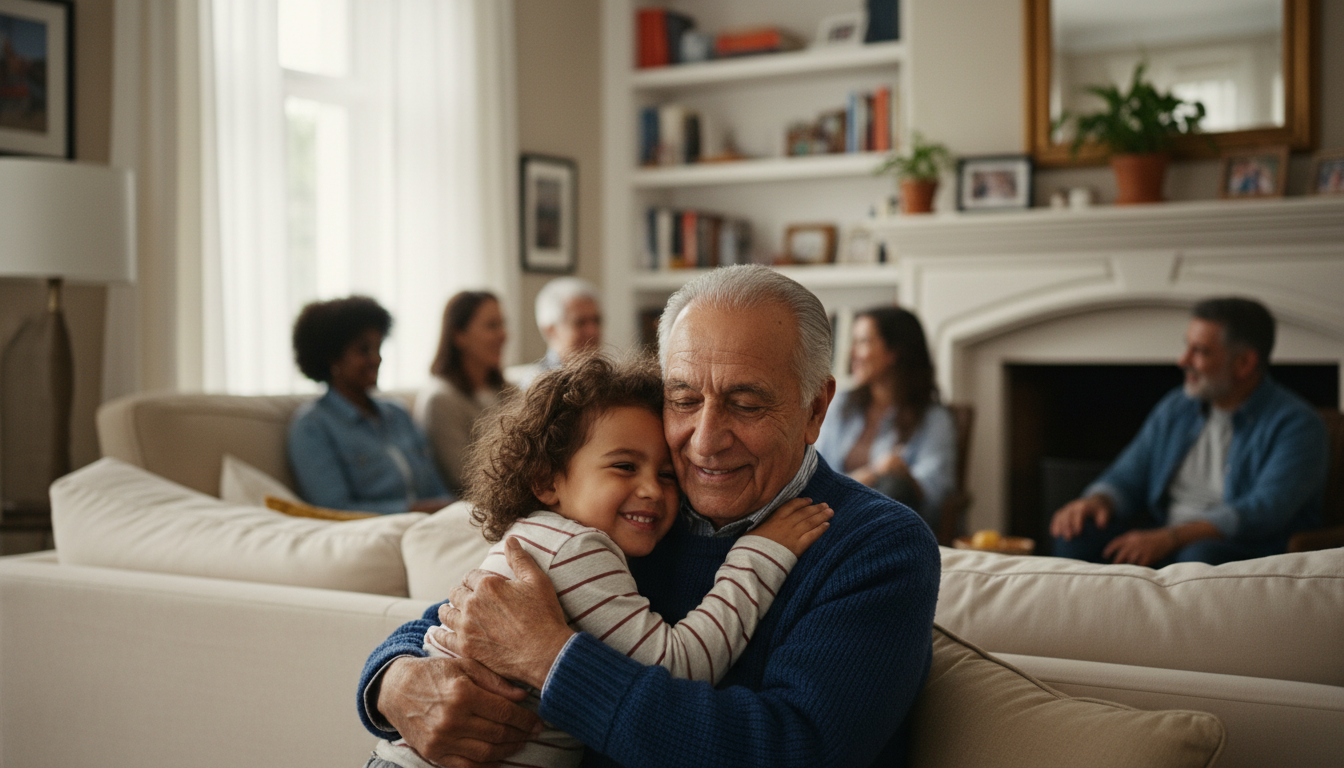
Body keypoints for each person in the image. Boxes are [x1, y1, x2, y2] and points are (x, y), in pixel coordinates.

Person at [358, 265, 942, 767]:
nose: (704, 441)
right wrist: (395, 683)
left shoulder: (876, 546)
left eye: (745, 404)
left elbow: (790, 749)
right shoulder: (640, 508)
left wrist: (550, 658)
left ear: (815, 409)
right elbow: (472, 611)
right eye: (683, 399)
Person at [370, 352, 831, 768]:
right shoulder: (578, 549)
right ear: (546, 480)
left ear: (814, 410)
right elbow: (677, 665)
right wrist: (758, 554)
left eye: (666, 475)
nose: (651, 489)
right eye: (624, 466)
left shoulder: (538, 534)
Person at [1050, 297, 1328, 566]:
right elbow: (1129, 472)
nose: (1183, 360)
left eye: (1200, 351)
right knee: (1075, 536)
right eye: (1187, 347)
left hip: (1239, 546)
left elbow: (1261, 512)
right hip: (1165, 534)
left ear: (1244, 363)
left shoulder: (1298, 425)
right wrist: (1097, 500)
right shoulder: (1177, 407)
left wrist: (1172, 538)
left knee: (1200, 557)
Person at [287, 295, 452, 515]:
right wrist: (412, 510)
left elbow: (437, 490)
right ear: (332, 357)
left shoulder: (398, 414)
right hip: (376, 530)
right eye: (364, 350)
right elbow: (335, 508)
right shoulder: (312, 427)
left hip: (434, 523)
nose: (377, 359)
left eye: (378, 348)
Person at [815, 306, 957, 528]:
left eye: (863, 342)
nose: (852, 353)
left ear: (894, 352)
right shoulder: (840, 405)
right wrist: (873, 472)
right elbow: (818, 474)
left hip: (896, 524)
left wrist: (903, 474)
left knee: (895, 487)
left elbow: (933, 495)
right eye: (854, 342)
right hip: (831, 515)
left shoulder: (934, 419)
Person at [414, 291, 513, 496]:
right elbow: (465, 479)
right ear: (459, 335)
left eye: (502, 324)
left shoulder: (509, 391)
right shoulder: (440, 400)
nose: (503, 335)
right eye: (491, 326)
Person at [504, 277, 603, 389]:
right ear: (550, 330)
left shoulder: (606, 377)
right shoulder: (539, 383)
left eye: (597, 321)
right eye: (580, 323)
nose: (592, 331)